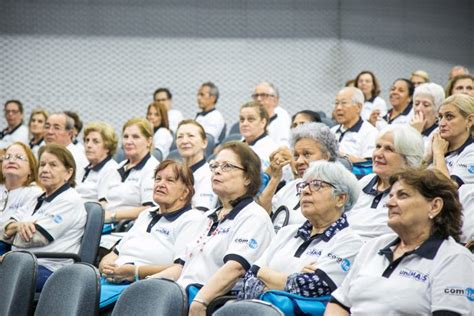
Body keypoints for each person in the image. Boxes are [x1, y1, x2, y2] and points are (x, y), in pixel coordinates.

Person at [150, 141, 275, 316]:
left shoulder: (254, 217)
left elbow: (235, 268)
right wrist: (147, 284)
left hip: (211, 302)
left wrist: (201, 301)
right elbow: (182, 266)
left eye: (227, 166)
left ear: (248, 177)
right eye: (215, 165)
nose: (217, 170)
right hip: (180, 295)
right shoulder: (208, 217)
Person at [326, 168, 474, 315]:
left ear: (434, 206)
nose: (390, 203)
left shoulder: (454, 259)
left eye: (402, 195)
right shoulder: (374, 246)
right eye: (390, 196)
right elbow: (339, 303)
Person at [239, 161, 362, 300]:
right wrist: (295, 277)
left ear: (340, 199)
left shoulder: (350, 242)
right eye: (304, 185)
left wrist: (264, 274)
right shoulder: (287, 232)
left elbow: (313, 287)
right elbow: (248, 281)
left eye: (316, 185)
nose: (305, 191)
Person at [98, 160, 205, 307]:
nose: (160, 184)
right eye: (158, 179)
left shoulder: (192, 219)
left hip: (143, 289)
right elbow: (115, 253)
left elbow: (181, 269)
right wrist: (105, 265)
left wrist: (134, 272)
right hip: (111, 281)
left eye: (170, 180)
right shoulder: (146, 214)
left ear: (185, 192)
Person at [0, 144, 87, 291]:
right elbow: (5, 227)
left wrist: (10, 233)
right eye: (42, 165)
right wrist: (17, 226)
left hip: (49, 269)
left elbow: (37, 237)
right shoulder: (37, 197)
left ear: (68, 173)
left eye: (53, 165)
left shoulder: (70, 200)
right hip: (24, 262)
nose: (45, 169)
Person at [346, 125, 424, 240]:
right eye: (378, 147)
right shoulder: (365, 181)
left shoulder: (413, 191)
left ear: (408, 158)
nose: (378, 154)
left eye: (388, 149)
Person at [258, 122, 339, 230]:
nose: (299, 161)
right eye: (296, 155)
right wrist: (275, 178)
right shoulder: (293, 186)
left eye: (307, 154)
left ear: (326, 156)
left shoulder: (336, 191)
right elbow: (262, 215)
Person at [103, 118, 159, 222]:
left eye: (135, 137)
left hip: (128, 229)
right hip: (107, 224)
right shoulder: (119, 167)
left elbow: (150, 209)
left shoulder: (153, 169)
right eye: (125, 137)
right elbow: (106, 201)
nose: (128, 141)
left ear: (149, 141)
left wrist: (113, 215)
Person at [0, 142, 43, 255]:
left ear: (31, 169)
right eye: (7, 157)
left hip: (8, 247)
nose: (12, 161)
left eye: (19, 157)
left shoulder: (34, 192)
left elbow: (16, 229)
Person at [425, 94, 474, 186]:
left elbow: (447, 189)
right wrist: (427, 158)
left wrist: (438, 154)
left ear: (469, 121)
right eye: (440, 117)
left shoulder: (471, 153)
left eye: (449, 117)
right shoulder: (439, 144)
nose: (441, 123)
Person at [175, 120, 218, 211]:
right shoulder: (174, 173)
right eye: (180, 137)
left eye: (191, 136)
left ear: (204, 143)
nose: (184, 141)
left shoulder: (209, 175)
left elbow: (201, 215)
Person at [76, 122, 120, 203]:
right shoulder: (85, 168)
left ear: (107, 147)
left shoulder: (111, 169)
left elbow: (103, 205)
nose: (89, 145)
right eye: (87, 140)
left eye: (95, 142)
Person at [331, 87, 378, 163]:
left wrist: (341, 156)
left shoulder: (370, 133)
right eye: (336, 103)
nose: (338, 108)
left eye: (344, 103)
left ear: (358, 107)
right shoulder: (332, 131)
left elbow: (369, 165)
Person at [44, 112, 88, 183]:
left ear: (70, 133)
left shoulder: (77, 157)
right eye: (47, 127)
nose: (50, 132)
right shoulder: (43, 153)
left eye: (56, 128)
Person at [239, 101, 279, 171]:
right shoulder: (235, 147)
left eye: (251, 119)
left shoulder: (272, 151)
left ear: (263, 122)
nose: (244, 123)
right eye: (242, 119)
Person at [252, 82, 291, 147]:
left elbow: (283, 147)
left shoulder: (282, 119)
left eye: (263, 95)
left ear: (275, 100)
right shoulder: (252, 120)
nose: (258, 99)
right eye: (256, 96)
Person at [409, 82, 445, 147]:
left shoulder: (440, 133)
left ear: (438, 110)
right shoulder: (408, 127)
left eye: (426, 105)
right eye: (416, 104)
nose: (419, 109)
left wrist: (415, 133)